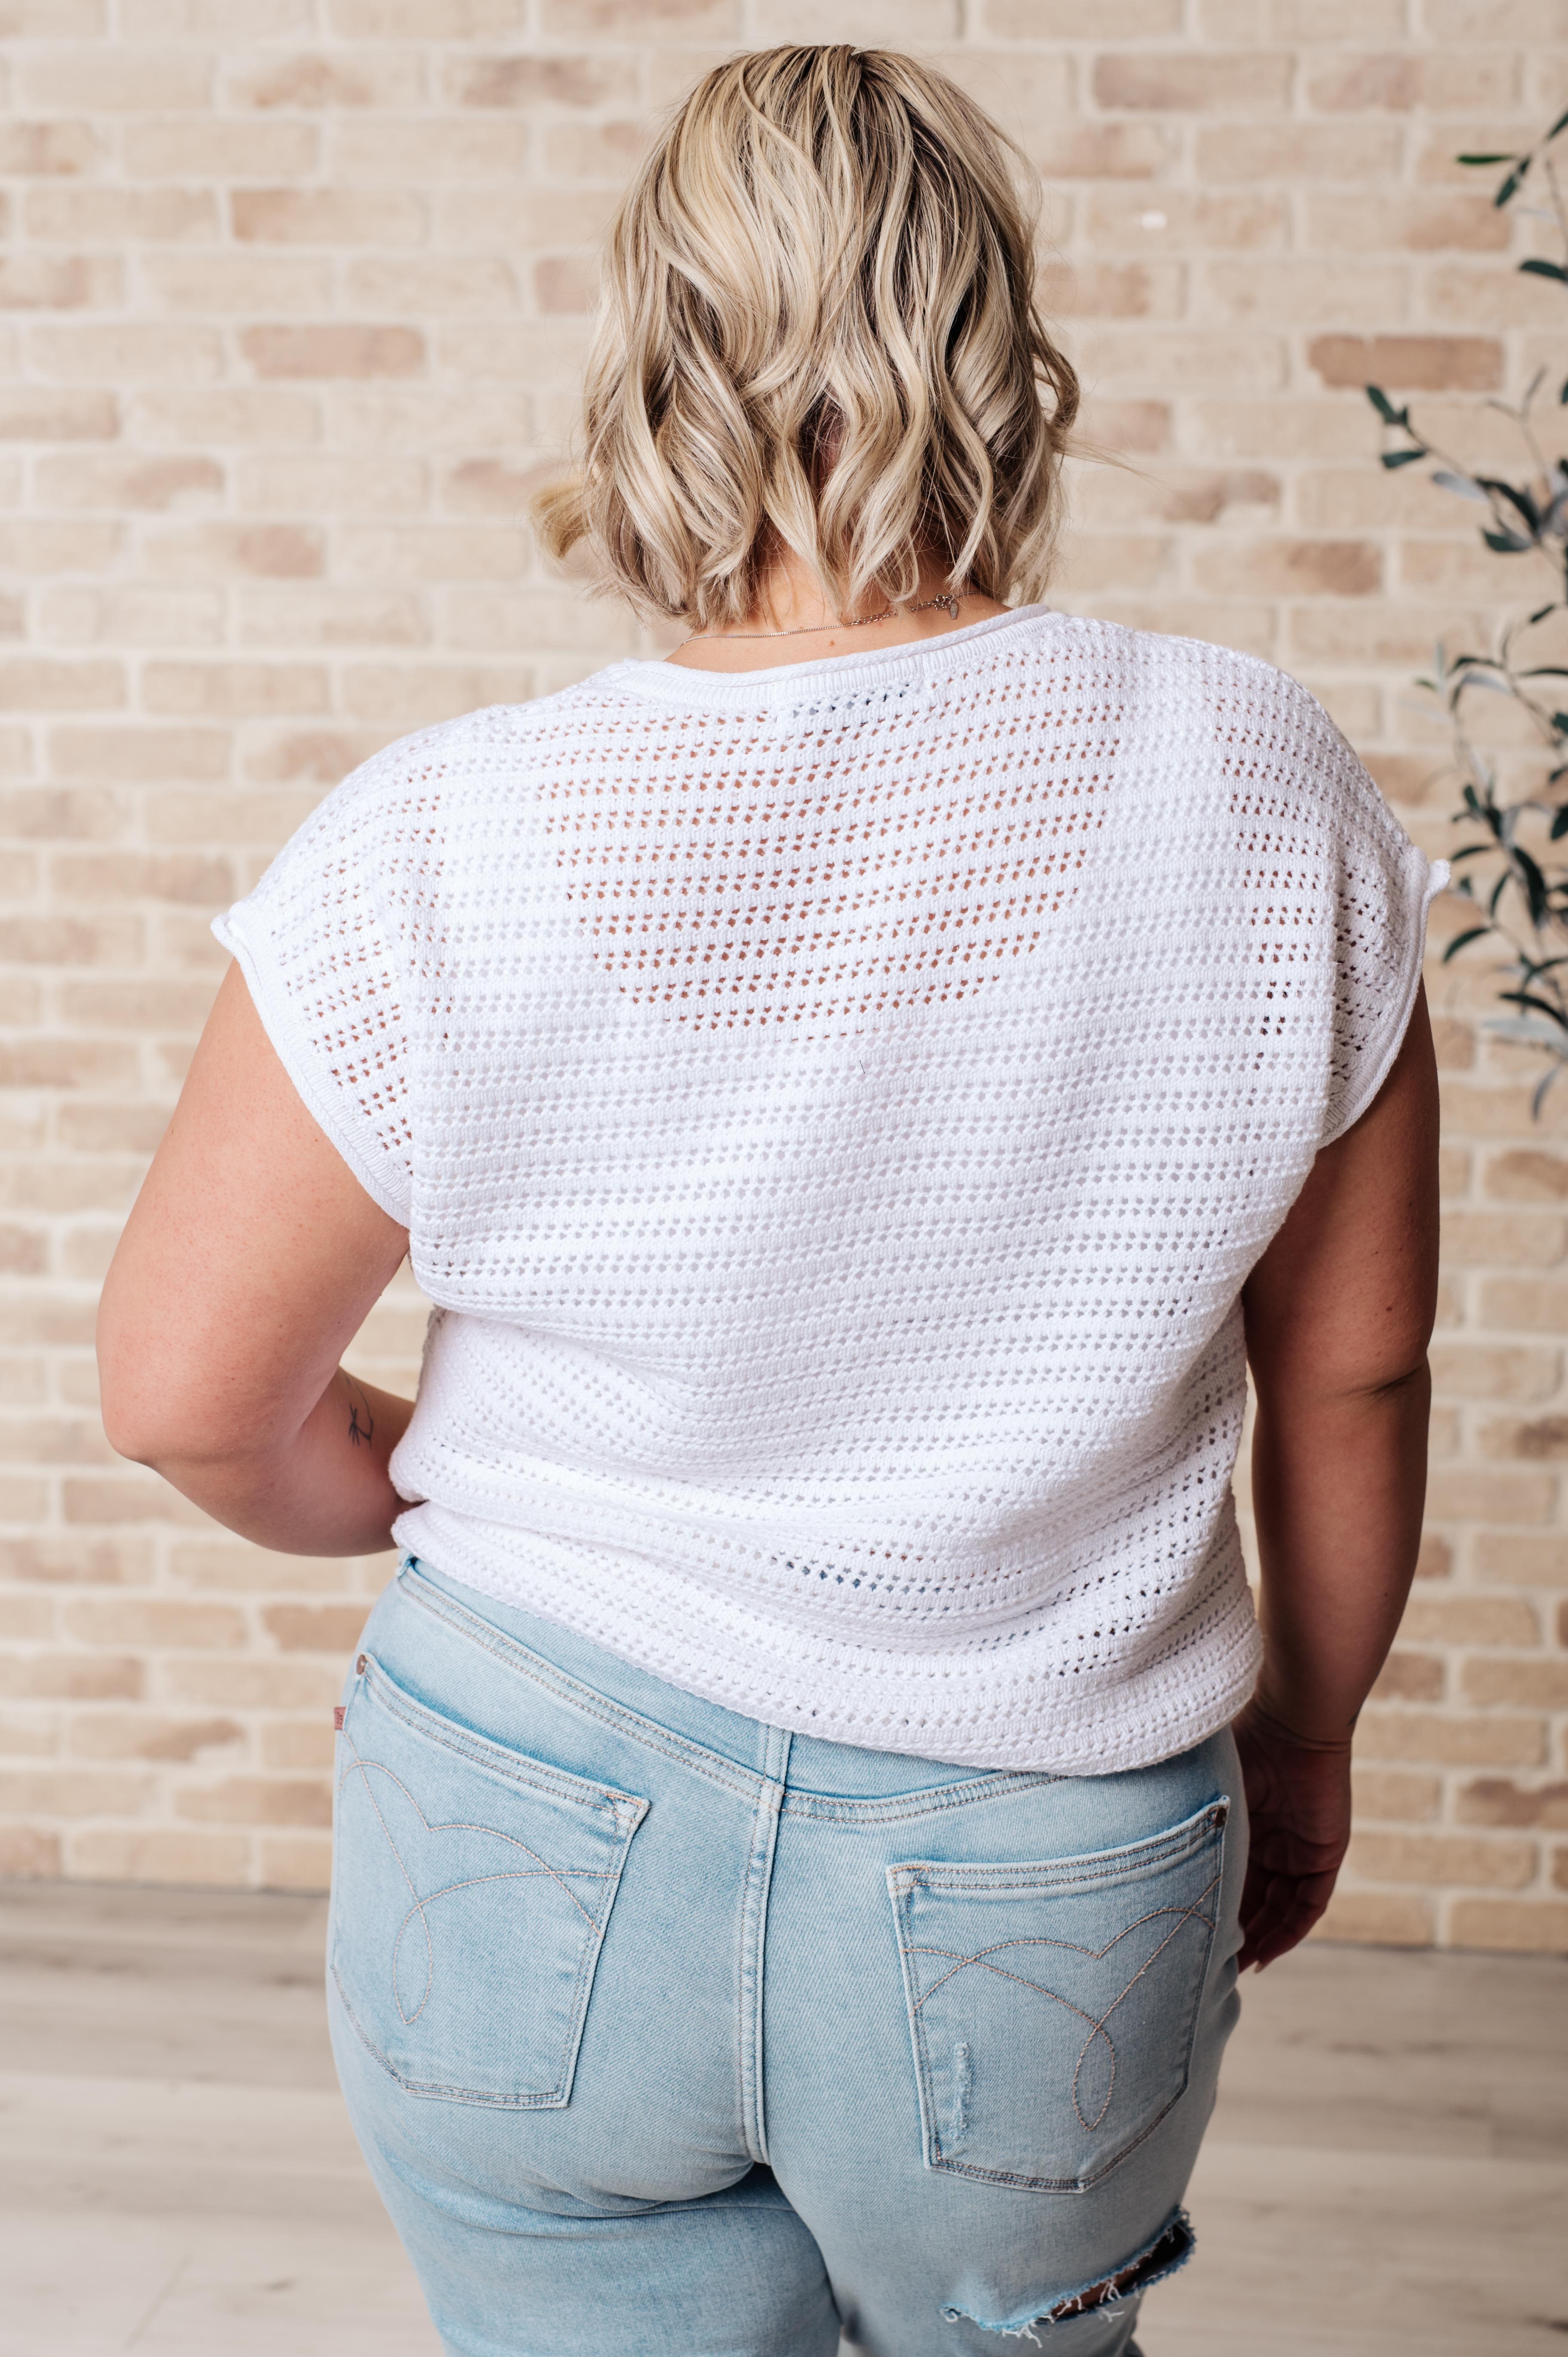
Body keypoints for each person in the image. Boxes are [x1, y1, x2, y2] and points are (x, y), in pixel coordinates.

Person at [96, 44, 1442, 2357]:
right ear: (1000, 359)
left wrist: (408, 1482)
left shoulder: (441, 836)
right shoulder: (1260, 777)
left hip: (524, 1796)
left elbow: (183, 1396)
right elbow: (1355, 1362)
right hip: (1044, 1841)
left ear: (651, 365)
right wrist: (1307, 1739)